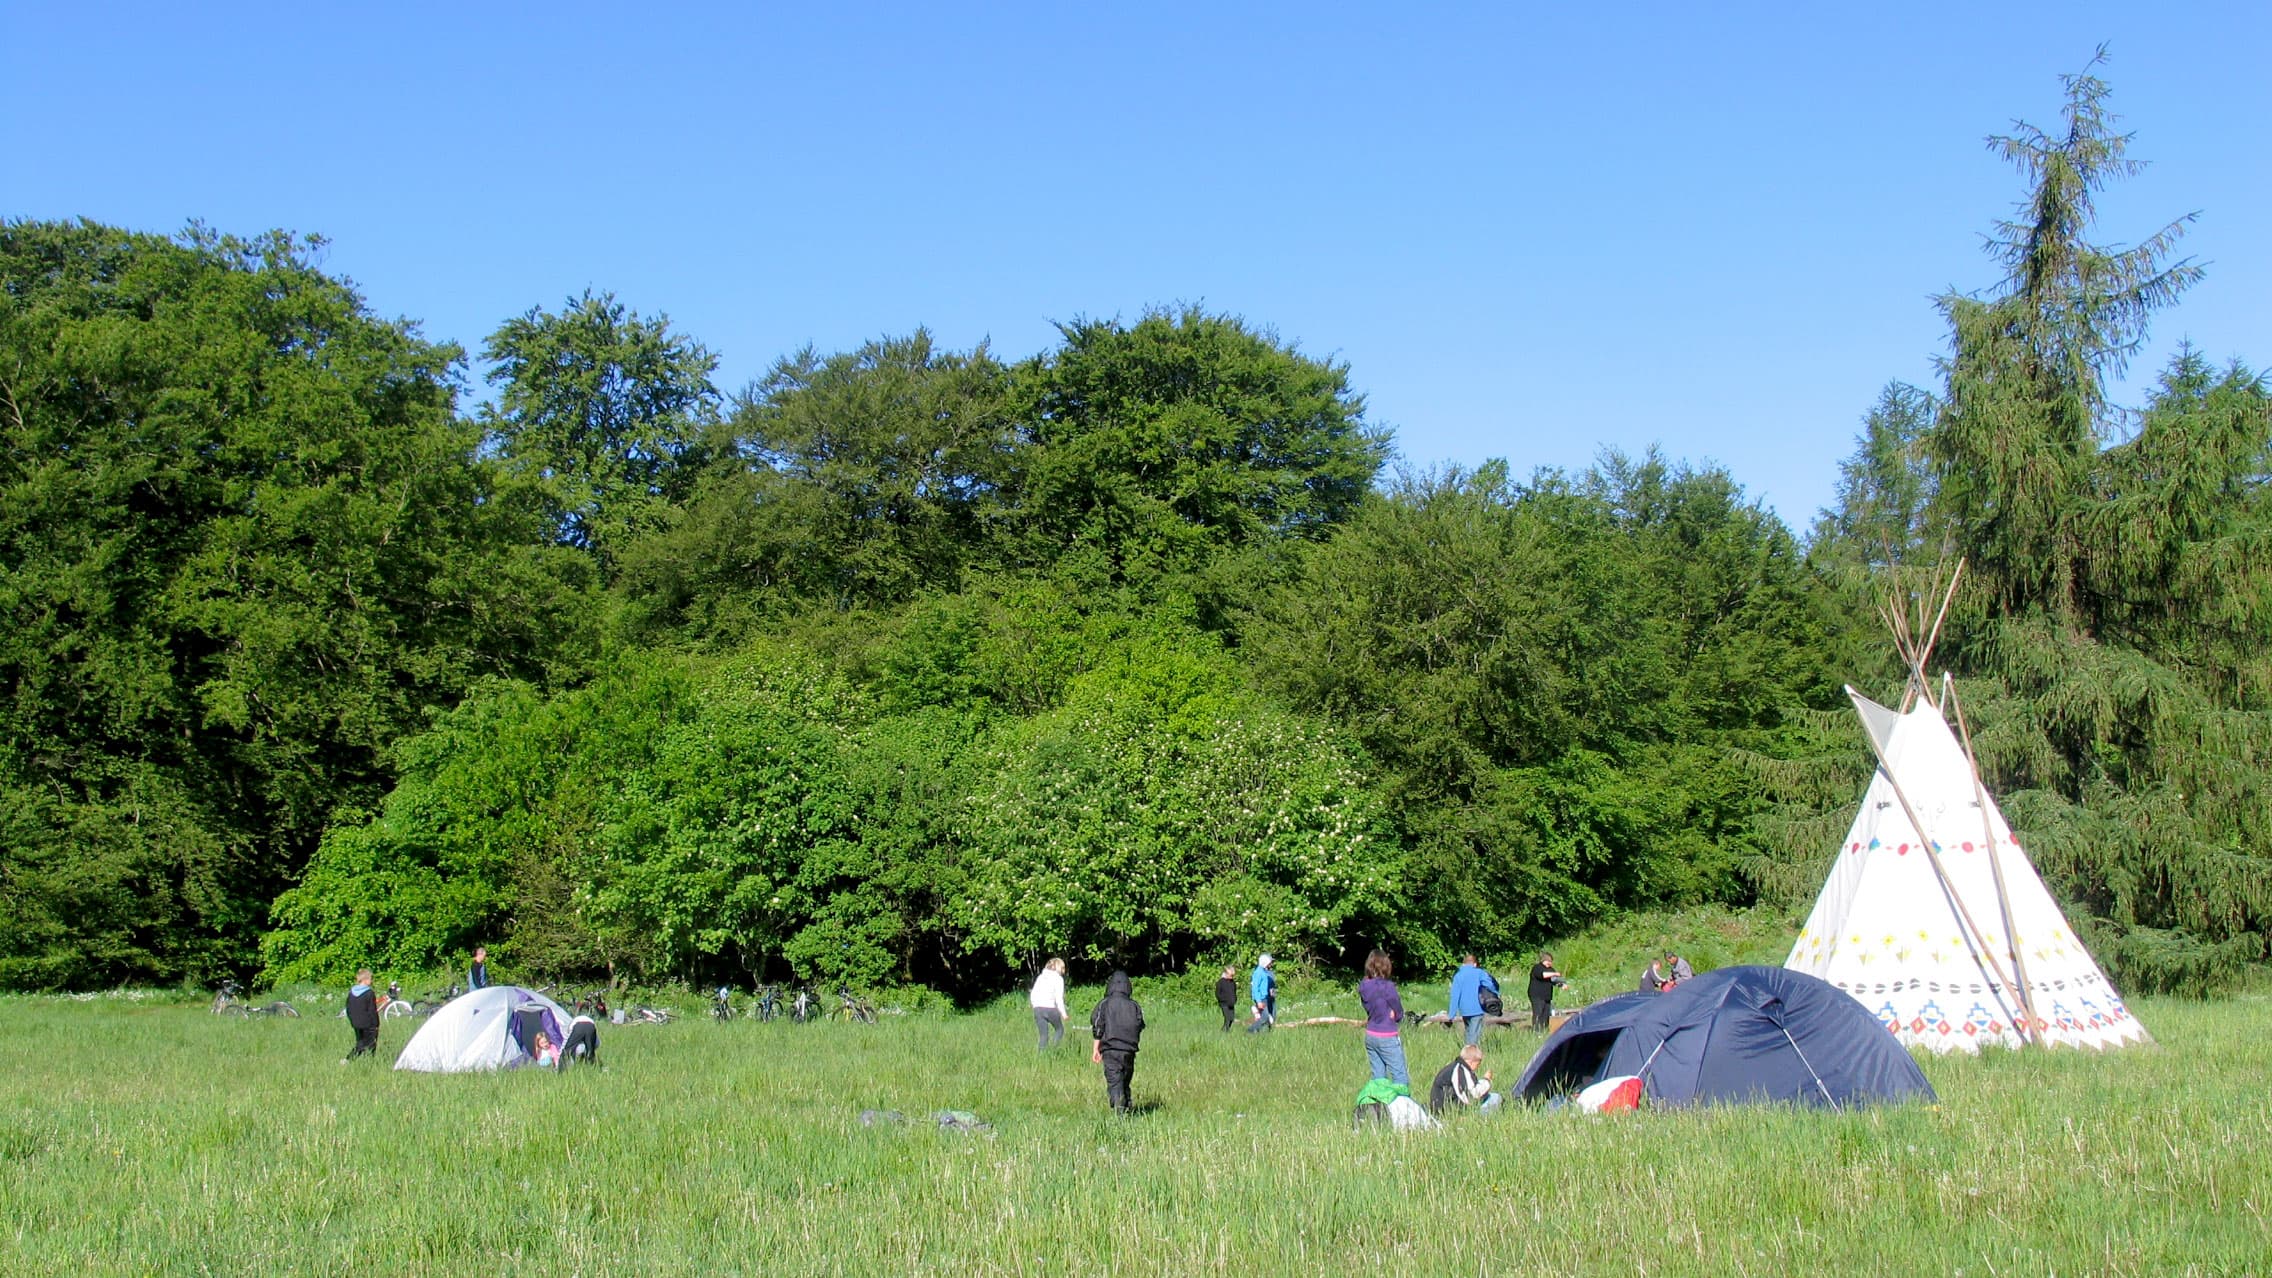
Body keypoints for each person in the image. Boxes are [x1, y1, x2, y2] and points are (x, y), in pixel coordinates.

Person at [1089, 970, 1145, 1113]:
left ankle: (1119, 1111)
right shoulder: (1134, 1006)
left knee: (1115, 1081)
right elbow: (1140, 1025)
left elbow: (1097, 1026)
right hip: (1129, 1050)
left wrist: (1096, 1048)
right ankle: (1126, 1105)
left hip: (1110, 1049)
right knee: (1125, 1079)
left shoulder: (1104, 1004)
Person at [1356, 949, 1408, 1087]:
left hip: (1371, 1034)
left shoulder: (1364, 986)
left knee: (1378, 1078)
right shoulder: (1387, 986)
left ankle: (1378, 1106)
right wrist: (1397, 1015)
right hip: (1387, 1034)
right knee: (1400, 1077)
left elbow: (1368, 1007)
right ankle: (1403, 1106)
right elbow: (1398, 1009)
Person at [1428, 1043, 1502, 1116]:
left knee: (1492, 1097)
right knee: (1495, 1098)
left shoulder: (1457, 1067)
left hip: (1449, 1107)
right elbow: (1471, 1096)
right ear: (1472, 1062)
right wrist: (1486, 1080)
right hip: (1449, 1111)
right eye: (1478, 1064)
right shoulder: (1460, 1071)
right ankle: (1478, 1117)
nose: (1478, 1067)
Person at [1447, 954, 1500, 1045]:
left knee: (1468, 1031)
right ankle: (1471, 1053)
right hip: (1477, 1008)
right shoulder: (1479, 972)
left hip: (1464, 1010)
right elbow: (1489, 984)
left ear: (1464, 964)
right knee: (1475, 1033)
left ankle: (1466, 1051)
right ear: (1474, 964)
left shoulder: (1458, 975)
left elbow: (1455, 995)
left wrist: (1451, 1014)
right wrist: (1496, 992)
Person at [1029, 957, 1069, 1050]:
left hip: (1037, 1009)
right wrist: (1064, 1014)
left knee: (1043, 1035)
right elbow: (1059, 998)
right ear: (1059, 967)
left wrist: (1034, 1005)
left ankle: (1041, 1056)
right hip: (1050, 1008)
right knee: (1059, 1030)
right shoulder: (1058, 979)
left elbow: (1033, 993)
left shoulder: (1041, 977)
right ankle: (1053, 1049)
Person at [343, 969, 380, 1062]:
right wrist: (376, 1024)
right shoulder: (369, 993)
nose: (372, 981)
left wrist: (352, 1020)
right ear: (366, 980)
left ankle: (351, 1060)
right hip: (368, 1023)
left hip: (356, 1023)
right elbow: (372, 1010)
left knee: (360, 1042)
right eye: (371, 979)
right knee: (370, 1043)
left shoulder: (352, 992)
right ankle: (352, 1060)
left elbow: (348, 1008)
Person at [1527, 951, 1567, 1031]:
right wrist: (1555, 974)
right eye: (1548, 961)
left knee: (1546, 1014)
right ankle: (1537, 1031)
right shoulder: (1537, 968)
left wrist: (1562, 984)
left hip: (1547, 996)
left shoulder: (1551, 970)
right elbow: (1543, 975)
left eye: (1550, 961)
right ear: (1543, 960)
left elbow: (1554, 980)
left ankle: (1544, 1029)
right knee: (1538, 1013)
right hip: (1537, 995)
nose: (1549, 963)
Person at [1245, 954, 1277, 1033]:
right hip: (1261, 998)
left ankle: (1264, 1032)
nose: (1270, 964)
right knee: (1265, 1017)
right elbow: (1255, 988)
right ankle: (1251, 1030)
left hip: (1265, 997)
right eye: (1269, 962)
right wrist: (1258, 1001)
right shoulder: (1258, 972)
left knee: (1268, 1017)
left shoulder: (1263, 971)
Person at [1215, 966, 1239, 1032]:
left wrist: (1235, 999)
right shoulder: (1220, 982)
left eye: (1233, 975)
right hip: (1224, 1004)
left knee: (1231, 1019)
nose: (1232, 977)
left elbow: (1234, 991)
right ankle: (1226, 1031)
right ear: (1226, 973)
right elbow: (1217, 994)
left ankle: (1223, 1030)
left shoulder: (1232, 982)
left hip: (1231, 1003)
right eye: (1231, 975)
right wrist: (1222, 999)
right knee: (1227, 1018)